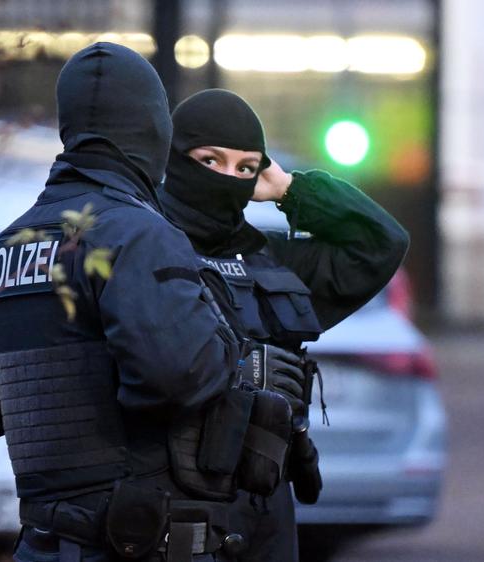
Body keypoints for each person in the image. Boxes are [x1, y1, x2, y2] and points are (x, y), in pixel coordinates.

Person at [0, 44, 246, 562]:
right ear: (150, 128)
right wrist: (232, 352)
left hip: (42, 542)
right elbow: (178, 373)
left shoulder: (6, 246)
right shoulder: (138, 235)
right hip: (135, 541)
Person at [157, 89, 410, 562]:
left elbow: (382, 243)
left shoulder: (268, 258)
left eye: (245, 168)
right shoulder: (143, 247)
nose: (229, 178)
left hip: (263, 501)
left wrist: (291, 190)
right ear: (175, 159)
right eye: (210, 160)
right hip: (169, 501)